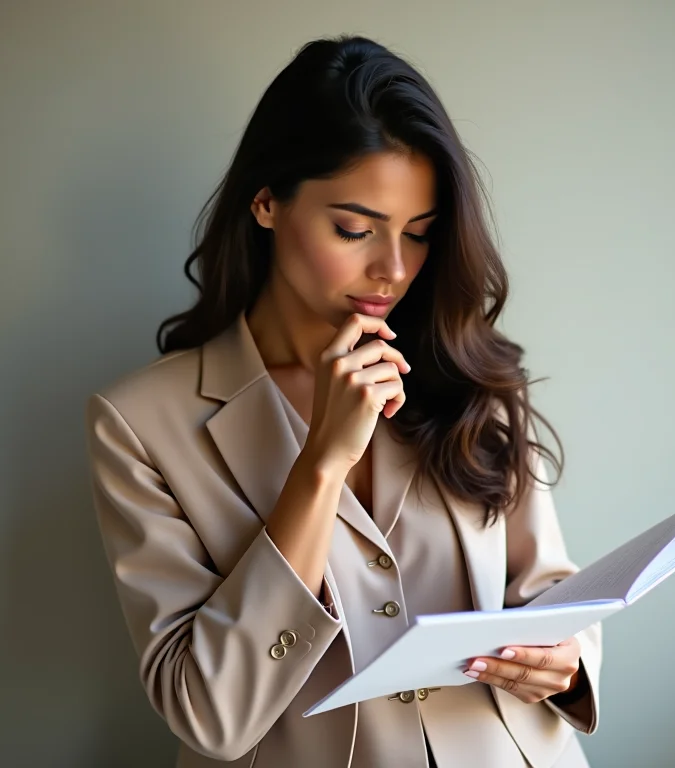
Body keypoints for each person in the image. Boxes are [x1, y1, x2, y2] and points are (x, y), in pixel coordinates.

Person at [85, 34, 602, 768]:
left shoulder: (470, 375)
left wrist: (567, 661)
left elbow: (550, 590)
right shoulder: (138, 423)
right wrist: (320, 463)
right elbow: (208, 712)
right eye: (354, 229)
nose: (392, 269)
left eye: (419, 235)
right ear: (266, 202)